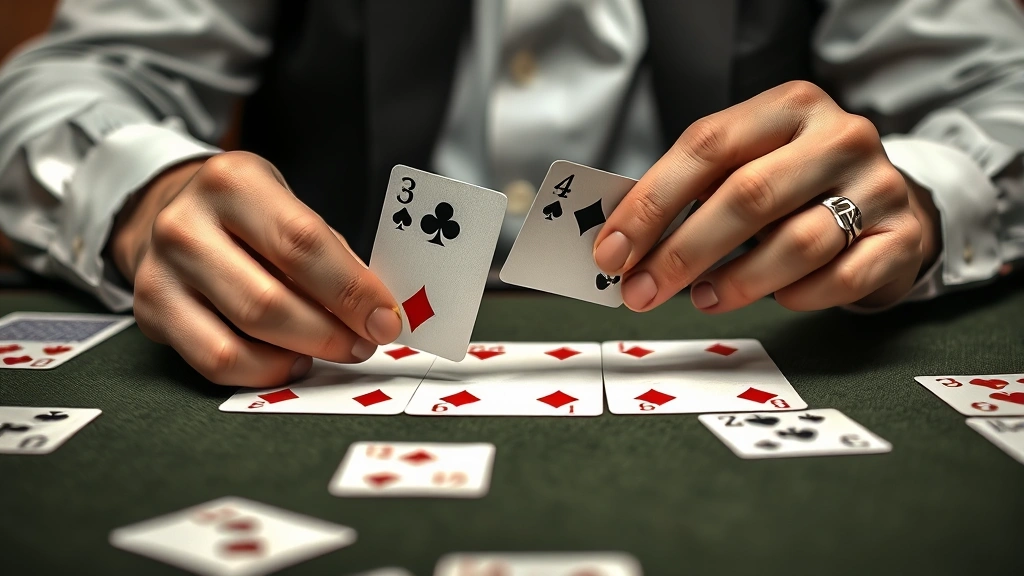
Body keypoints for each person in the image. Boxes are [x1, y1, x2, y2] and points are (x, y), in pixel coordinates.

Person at [0, 1, 1021, 387]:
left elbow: (1000, 93)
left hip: (730, 325)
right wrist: (149, 195)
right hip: (342, 350)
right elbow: (72, 80)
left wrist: (914, 194)